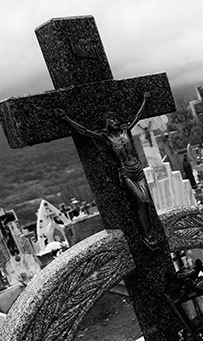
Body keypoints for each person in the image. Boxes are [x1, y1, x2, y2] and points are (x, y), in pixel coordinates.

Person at [57, 93, 159, 250]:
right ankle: (147, 235)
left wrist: (145, 99)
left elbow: (138, 117)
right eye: (112, 121)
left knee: (147, 203)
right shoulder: (106, 137)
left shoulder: (125, 130)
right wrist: (66, 119)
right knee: (142, 200)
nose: (116, 122)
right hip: (127, 173)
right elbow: (84, 131)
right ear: (107, 124)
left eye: (116, 120)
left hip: (138, 169)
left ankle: (150, 234)